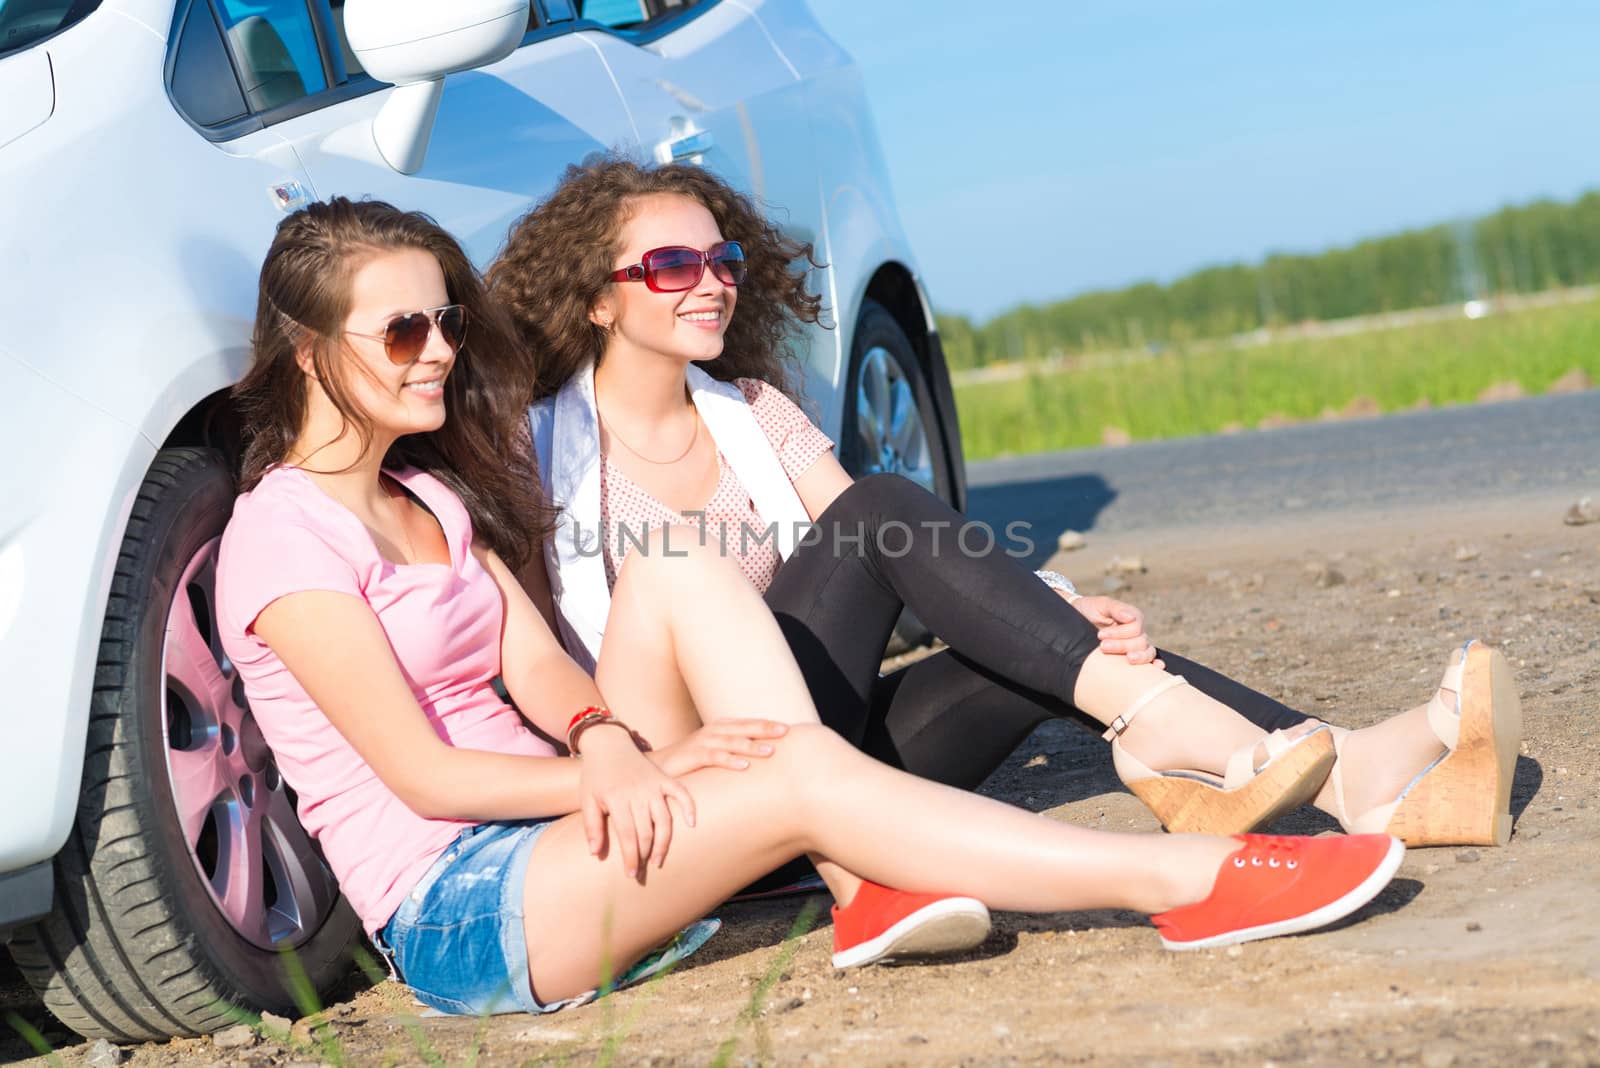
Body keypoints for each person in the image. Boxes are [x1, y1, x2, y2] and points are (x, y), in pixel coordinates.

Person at [216, 197, 1405, 1018]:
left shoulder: (426, 495)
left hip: (572, 820)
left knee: (675, 564)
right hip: (470, 906)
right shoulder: (284, 533)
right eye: (402, 330)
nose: (436, 352)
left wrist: (609, 738)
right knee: (792, 768)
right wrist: (620, 774)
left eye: (446, 323)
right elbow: (423, 778)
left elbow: (543, 680)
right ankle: (1186, 887)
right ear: (312, 353)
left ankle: (871, 869)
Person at [486, 156, 1521, 875]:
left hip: (817, 746)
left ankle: (1356, 778)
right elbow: (535, 662)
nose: (709, 284)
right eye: (672, 267)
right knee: (888, 508)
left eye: (724, 263)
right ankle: (1194, 733)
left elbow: (905, 579)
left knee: (1035, 644)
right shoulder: (534, 458)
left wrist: (1058, 611)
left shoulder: (755, 415)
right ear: (595, 298)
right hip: (687, 780)